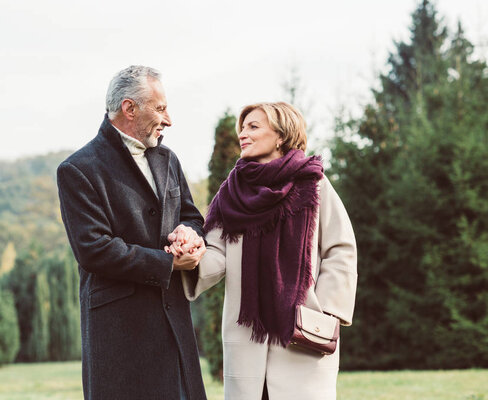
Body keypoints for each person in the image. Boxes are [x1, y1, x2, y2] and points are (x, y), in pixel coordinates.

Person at [169, 102, 357, 400]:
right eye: (242, 128)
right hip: (247, 338)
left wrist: (327, 311)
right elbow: (216, 253)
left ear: (281, 134)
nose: (243, 134)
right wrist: (189, 258)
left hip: (303, 335)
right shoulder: (231, 192)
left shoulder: (314, 183)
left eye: (253, 127)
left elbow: (341, 249)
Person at [57, 65, 208, 400]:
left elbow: (191, 215)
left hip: (174, 327)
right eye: (161, 108)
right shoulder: (78, 169)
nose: (168, 119)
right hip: (120, 337)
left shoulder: (168, 158)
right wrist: (168, 264)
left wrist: (190, 234)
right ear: (129, 108)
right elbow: (94, 249)